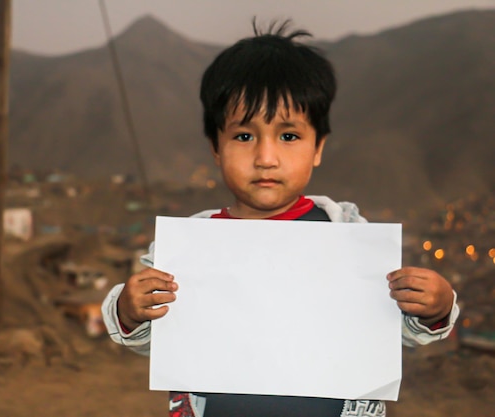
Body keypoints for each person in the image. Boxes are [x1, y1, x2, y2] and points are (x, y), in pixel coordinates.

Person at [101, 20, 459, 417]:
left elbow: (395, 334)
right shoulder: (190, 247)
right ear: (216, 148)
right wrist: (129, 310)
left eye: (289, 136)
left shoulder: (348, 234)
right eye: (243, 136)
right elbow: (150, 337)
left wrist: (435, 308)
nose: (266, 158)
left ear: (318, 147)